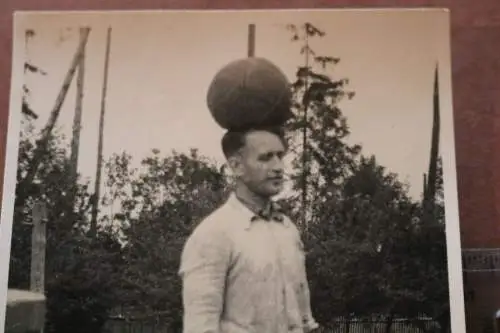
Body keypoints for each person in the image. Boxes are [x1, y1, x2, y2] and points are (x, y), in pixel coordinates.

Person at [179, 125, 319, 333]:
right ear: (237, 166)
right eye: (265, 158)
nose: (278, 166)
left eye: (280, 156)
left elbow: (304, 316)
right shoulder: (213, 234)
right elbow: (201, 326)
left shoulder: (287, 229)